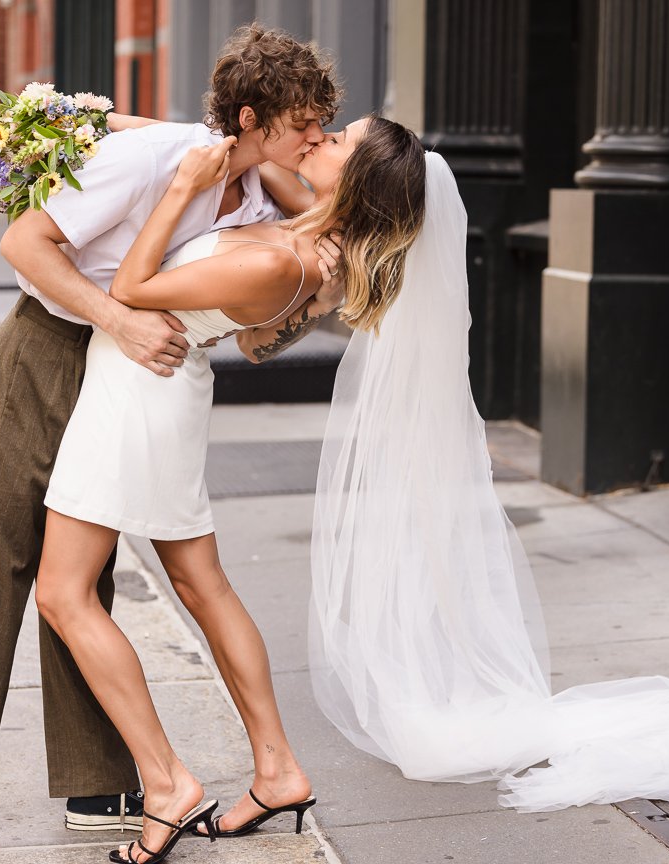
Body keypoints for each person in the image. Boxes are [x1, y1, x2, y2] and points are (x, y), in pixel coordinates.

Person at [0, 24, 341, 864]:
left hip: (132, 376)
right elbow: (23, 244)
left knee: (88, 577)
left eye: (322, 127)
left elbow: (301, 267)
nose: (313, 139)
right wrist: (121, 320)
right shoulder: (155, 166)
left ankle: (97, 782)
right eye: (302, 125)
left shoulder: (258, 190)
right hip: (47, 349)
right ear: (252, 118)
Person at [33, 114, 426, 864]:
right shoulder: (306, 228)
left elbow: (132, 288)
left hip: (137, 391)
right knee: (202, 584)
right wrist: (96, 116)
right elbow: (233, 138)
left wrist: (181, 188)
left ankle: (166, 783)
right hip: (161, 385)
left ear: (358, 182)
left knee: (63, 593)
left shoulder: (290, 262)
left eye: (339, 140)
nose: (322, 138)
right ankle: (277, 770)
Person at [307, 150, 669, 811]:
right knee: (415, 554)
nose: (327, 138)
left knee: (419, 556)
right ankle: (433, 668)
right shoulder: (400, 250)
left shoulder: (403, 234)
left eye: (340, 136)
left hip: (417, 420)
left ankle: (437, 675)